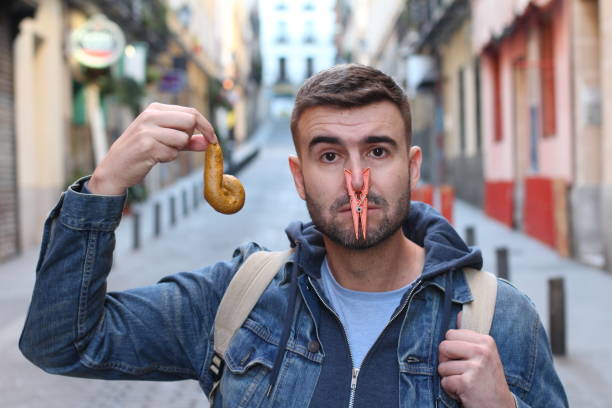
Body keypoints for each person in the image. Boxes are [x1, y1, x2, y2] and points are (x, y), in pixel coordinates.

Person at [20, 64, 568, 407]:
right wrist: (105, 186)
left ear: (413, 166)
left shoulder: (499, 317)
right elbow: (62, 342)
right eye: (329, 155)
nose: (357, 180)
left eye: (378, 151)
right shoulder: (240, 300)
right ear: (299, 176)